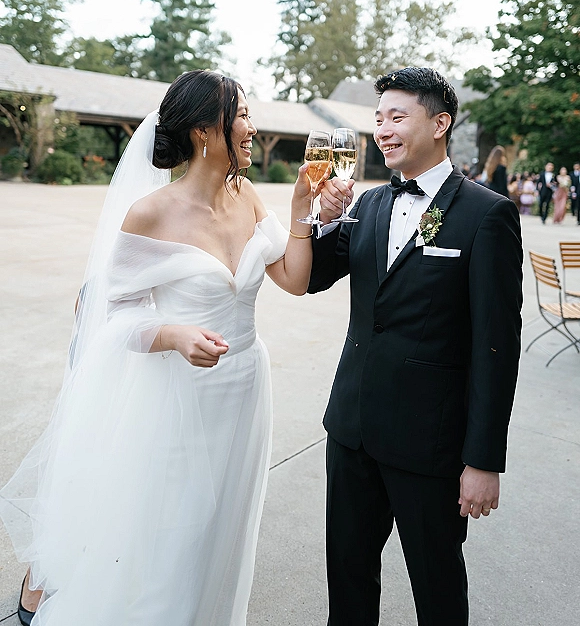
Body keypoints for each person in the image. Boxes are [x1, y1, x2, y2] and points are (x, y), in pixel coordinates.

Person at [1, 70, 315, 626]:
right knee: (170, 533)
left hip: (244, 390)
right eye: (241, 115)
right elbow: (107, 317)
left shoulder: (246, 195)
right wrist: (172, 334)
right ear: (203, 132)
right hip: (175, 398)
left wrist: (300, 215)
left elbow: (291, 276)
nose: (251, 127)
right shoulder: (150, 212)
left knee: (223, 528)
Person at [308, 67, 523, 626]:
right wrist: (324, 221)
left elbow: (496, 348)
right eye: (378, 118)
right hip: (352, 430)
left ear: (440, 123)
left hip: (430, 445)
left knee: (437, 588)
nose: (383, 129)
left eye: (397, 117)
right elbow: (314, 276)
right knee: (347, 581)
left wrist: (482, 459)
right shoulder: (372, 203)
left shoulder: (485, 214)